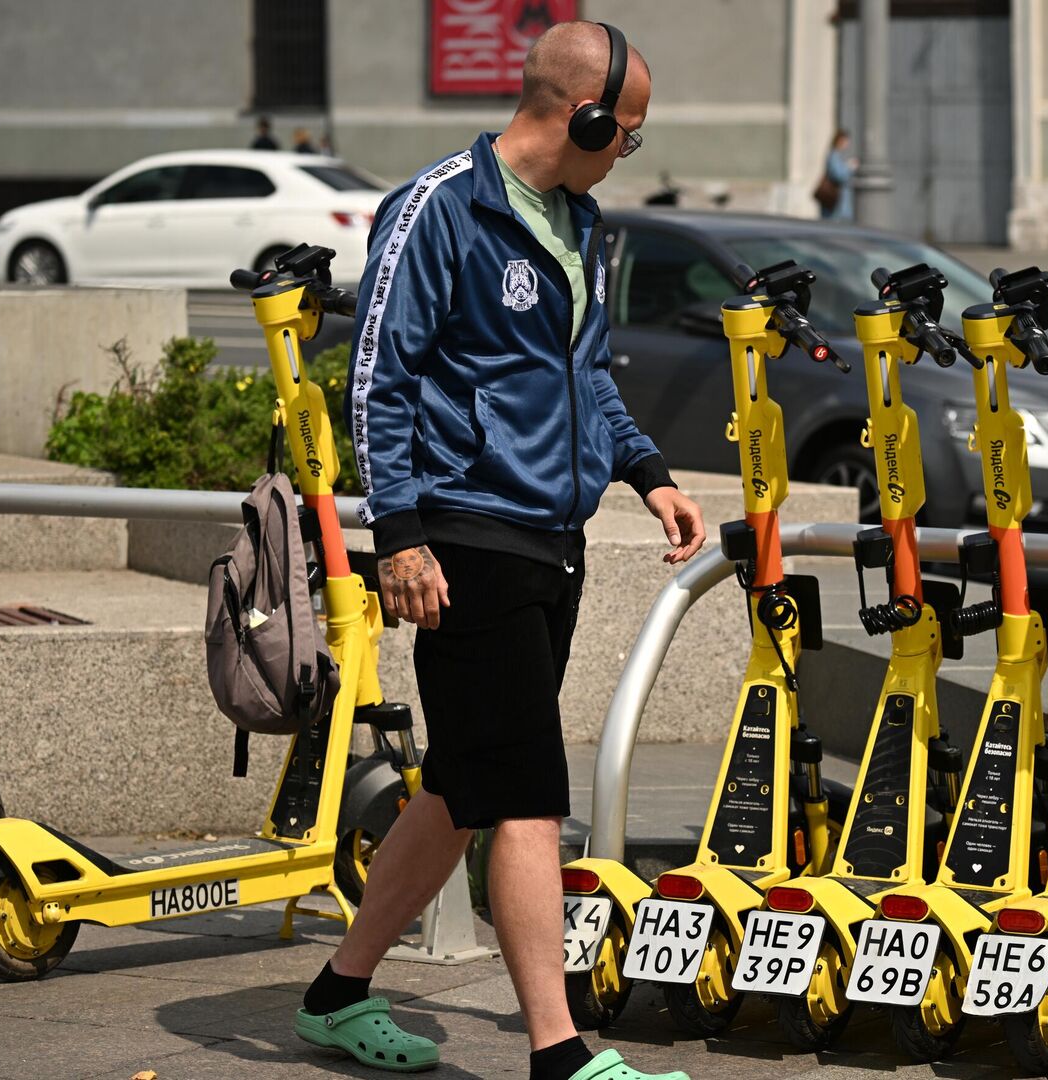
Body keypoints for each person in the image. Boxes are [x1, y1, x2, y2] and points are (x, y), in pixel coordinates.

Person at [296, 19, 704, 1080]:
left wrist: (649, 472)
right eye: (629, 133)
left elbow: (588, 374)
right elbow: (378, 377)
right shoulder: (439, 207)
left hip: (550, 538)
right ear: (584, 117)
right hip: (464, 535)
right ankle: (558, 1054)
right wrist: (400, 537)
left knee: (461, 784)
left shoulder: (581, 221)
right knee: (525, 793)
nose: (629, 152)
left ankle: (336, 996)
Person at [818, 128, 856, 220]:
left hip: (838, 202)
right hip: (836, 201)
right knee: (835, 223)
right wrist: (849, 167)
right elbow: (838, 175)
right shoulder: (833, 155)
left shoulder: (836, 155)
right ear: (840, 141)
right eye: (846, 141)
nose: (847, 144)